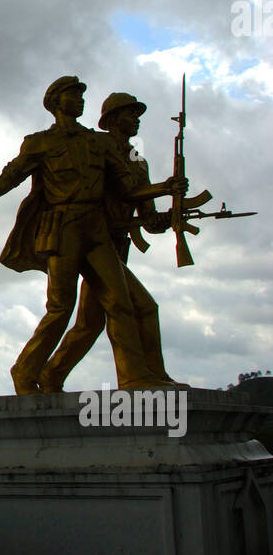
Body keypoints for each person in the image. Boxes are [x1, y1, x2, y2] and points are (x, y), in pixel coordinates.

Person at [0, 76, 187, 394]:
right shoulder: (38, 143)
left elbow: (130, 190)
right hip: (62, 229)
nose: (80, 99)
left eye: (81, 95)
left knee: (120, 302)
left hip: (96, 229)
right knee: (61, 308)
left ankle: (134, 378)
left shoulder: (99, 143)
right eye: (72, 94)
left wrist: (165, 186)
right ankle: (25, 371)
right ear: (55, 102)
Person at [38, 92, 181, 392]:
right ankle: (136, 376)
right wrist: (164, 188)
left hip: (117, 246)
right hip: (92, 245)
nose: (137, 120)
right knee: (138, 306)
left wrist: (166, 218)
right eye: (131, 114)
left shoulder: (138, 163)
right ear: (113, 120)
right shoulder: (94, 150)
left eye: (137, 115)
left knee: (90, 324)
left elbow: (147, 217)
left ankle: (53, 375)